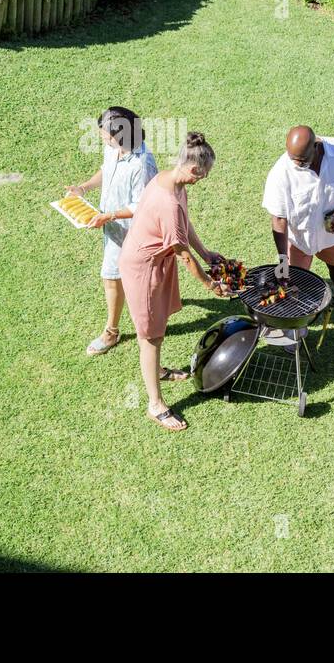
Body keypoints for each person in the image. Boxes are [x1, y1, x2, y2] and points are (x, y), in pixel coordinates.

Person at [119, 131, 226, 432]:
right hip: (144, 268)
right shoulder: (169, 201)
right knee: (150, 336)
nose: (201, 180)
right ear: (193, 169)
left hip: (156, 263)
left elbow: (185, 225)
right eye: (202, 176)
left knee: (158, 326)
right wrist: (209, 284)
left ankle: (159, 370)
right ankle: (156, 404)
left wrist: (207, 253)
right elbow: (182, 253)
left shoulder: (172, 181)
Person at [66, 107, 158, 356]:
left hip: (129, 233)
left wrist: (110, 216)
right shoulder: (113, 149)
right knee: (121, 278)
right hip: (112, 227)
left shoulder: (142, 164)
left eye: (106, 135)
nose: (102, 139)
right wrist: (83, 188)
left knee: (112, 277)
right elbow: (106, 170)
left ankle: (112, 332)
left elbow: (142, 205)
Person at [262, 125, 334, 336]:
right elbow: (279, 219)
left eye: (301, 160)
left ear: (316, 146)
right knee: (295, 280)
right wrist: (283, 258)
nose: (296, 164)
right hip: (299, 238)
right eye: (293, 159)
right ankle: (298, 323)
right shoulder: (280, 173)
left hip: (331, 233)